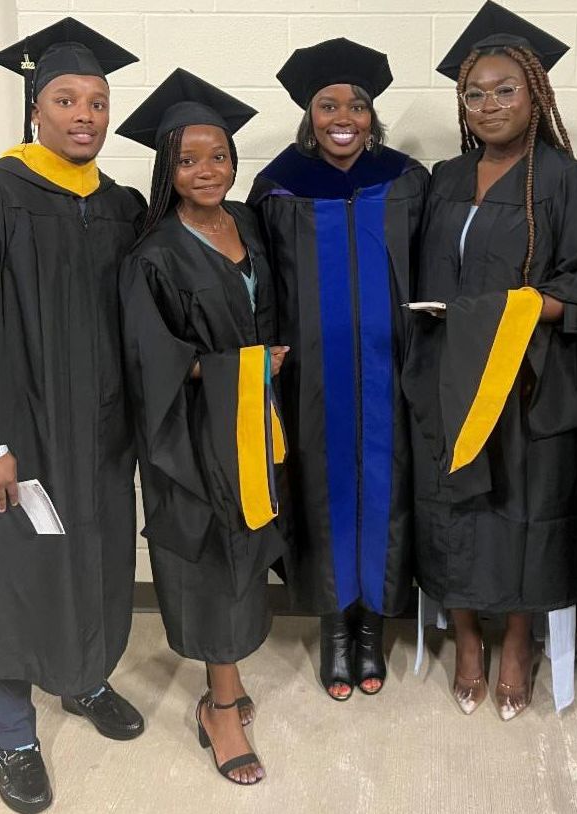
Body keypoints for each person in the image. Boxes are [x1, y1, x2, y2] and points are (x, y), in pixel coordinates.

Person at [0, 18, 147, 814]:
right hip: (19, 432)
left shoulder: (120, 205)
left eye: (98, 102)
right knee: (12, 571)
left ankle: (83, 678)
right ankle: (14, 736)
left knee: (95, 556)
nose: (85, 115)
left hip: (100, 433)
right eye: (66, 99)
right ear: (35, 108)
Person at [403, 2, 577, 720]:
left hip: (526, 379)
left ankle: (516, 641)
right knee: (449, 504)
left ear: (535, 95)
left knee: (522, 508)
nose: (489, 104)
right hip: (444, 372)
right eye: (475, 93)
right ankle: (466, 637)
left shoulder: (566, 179)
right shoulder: (444, 177)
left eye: (505, 90)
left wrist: (505, 312)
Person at [117, 68, 287, 786]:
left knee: (247, 543)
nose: (206, 170)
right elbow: (150, 359)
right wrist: (245, 366)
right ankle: (220, 708)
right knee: (213, 554)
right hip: (191, 432)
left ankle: (230, 679)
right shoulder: (154, 253)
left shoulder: (246, 222)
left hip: (251, 420)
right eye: (188, 160)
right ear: (168, 170)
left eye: (218, 155)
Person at [248, 38, 429, 702]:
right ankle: (334, 629)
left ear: (372, 113)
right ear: (310, 113)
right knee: (323, 494)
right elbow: (263, 285)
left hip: (389, 375)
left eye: (357, 104)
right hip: (313, 381)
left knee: (386, 490)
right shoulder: (278, 188)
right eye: (328, 105)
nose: (343, 117)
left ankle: (371, 627)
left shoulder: (406, 180)